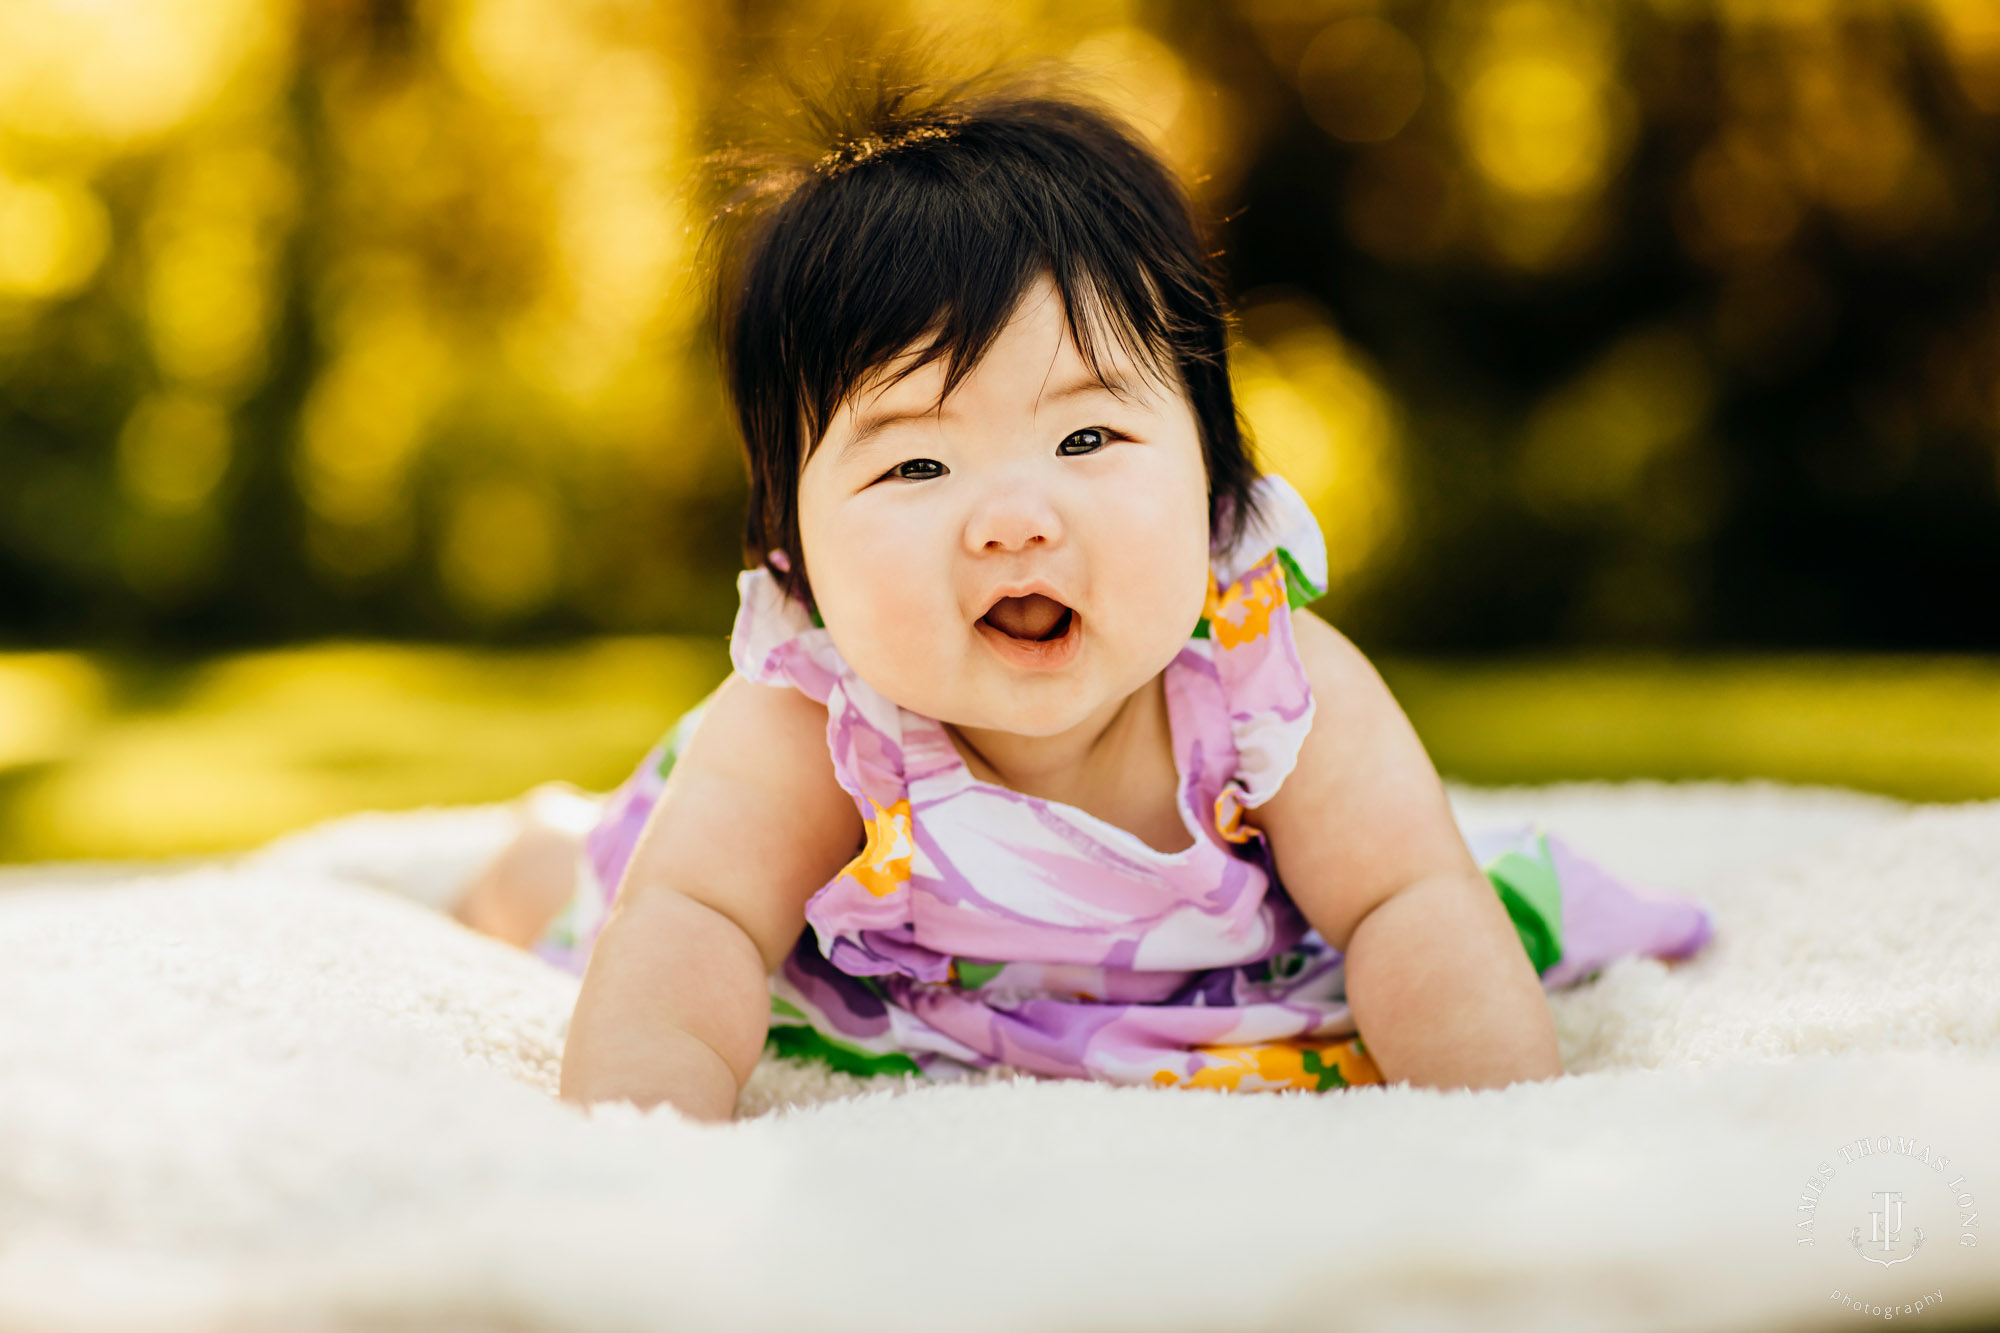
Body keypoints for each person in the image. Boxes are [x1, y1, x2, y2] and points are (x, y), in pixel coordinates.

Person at [450, 57, 1716, 1123]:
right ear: (791, 551)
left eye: (1085, 441)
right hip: (865, 971)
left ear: (1216, 486)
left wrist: (1507, 1137)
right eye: (918, 461)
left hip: (1200, 976)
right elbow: (697, 930)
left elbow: (1408, 903)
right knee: (594, 890)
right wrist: (634, 1158)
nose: (1012, 518)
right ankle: (533, 845)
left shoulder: (1269, 692)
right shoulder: (810, 734)